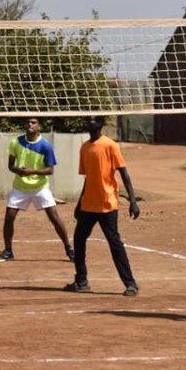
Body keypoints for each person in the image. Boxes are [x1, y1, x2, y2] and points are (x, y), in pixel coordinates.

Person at [63, 116, 141, 296]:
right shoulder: (84, 147)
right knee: (79, 240)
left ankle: (130, 284)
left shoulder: (110, 145)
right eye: (86, 120)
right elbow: (88, 178)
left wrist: (133, 201)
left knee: (115, 243)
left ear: (100, 124)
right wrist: (79, 203)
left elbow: (124, 173)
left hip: (107, 203)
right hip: (88, 204)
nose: (87, 123)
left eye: (91, 121)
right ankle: (81, 280)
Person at [0, 117, 74, 263]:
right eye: (28, 122)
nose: (30, 125)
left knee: (54, 218)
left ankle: (69, 249)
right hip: (20, 187)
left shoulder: (45, 145)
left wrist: (32, 171)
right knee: (9, 217)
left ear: (39, 127)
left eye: (33, 123)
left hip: (40, 187)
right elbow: (11, 166)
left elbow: (50, 170)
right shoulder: (16, 142)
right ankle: (8, 251)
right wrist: (19, 170)